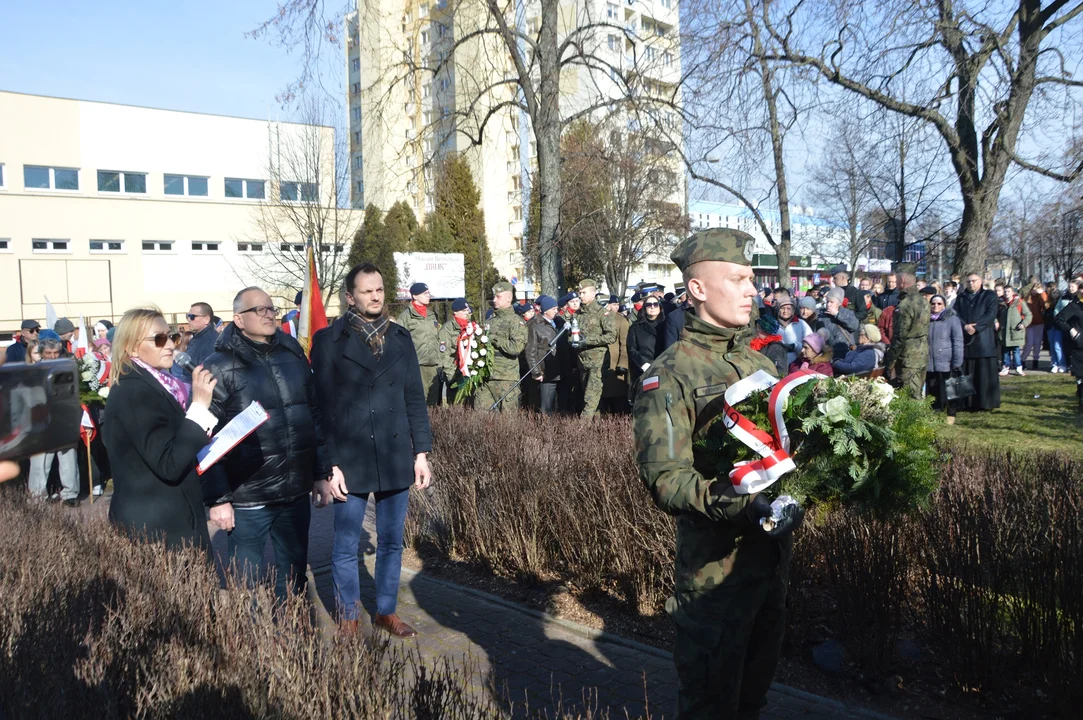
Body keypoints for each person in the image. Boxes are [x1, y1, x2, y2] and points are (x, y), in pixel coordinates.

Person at [633, 228, 804, 718]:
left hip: (768, 567)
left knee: (751, 702)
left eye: (753, 279)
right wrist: (743, 503)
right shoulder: (669, 373)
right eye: (739, 279)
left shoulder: (757, 363)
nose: (754, 290)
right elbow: (666, 477)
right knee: (711, 707)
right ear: (698, 289)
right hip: (714, 578)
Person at [310, 263, 433, 638]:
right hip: (350, 459)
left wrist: (421, 453)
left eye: (379, 289)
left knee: (392, 543)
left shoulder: (400, 337)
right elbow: (319, 408)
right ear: (350, 296)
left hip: (395, 455)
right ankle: (348, 617)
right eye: (367, 291)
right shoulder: (330, 342)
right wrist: (329, 464)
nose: (375, 296)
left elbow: (414, 397)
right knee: (346, 545)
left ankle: (385, 611)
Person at [202, 287, 329, 602]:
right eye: (259, 309)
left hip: (295, 491)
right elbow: (206, 436)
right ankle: (249, 647)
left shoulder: (293, 353)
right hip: (248, 496)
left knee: (293, 580)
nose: (269, 313)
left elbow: (312, 414)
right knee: (246, 583)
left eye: (271, 308)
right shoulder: (218, 364)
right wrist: (218, 498)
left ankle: (291, 644)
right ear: (238, 319)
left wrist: (320, 471)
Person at [102, 307, 219, 550]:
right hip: (158, 529)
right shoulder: (134, 391)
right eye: (158, 339)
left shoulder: (159, 383)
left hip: (172, 517)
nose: (170, 346)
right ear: (131, 347)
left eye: (172, 336)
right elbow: (169, 463)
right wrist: (198, 407)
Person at [25, 338, 80, 506]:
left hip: (64, 418)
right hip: (41, 419)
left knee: (68, 456)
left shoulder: (68, 367)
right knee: (40, 460)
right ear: (42, 353)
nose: (53, 356)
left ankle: (70, 494)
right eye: (48, 353)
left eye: (56, 352)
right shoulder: (33, 371)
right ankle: (37, 496)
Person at [476, 281, 529, 412]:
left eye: (498, 297)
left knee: (507, 423)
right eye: (494, 297)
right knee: (480, 419)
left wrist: (495, 339)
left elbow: (516, 348)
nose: (494, 300)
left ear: (509, 298)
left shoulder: (516, 322)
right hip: (486, 378)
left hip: (506, 378)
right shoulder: (489, 322)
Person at [953, 272, 1001, 411]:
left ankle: (985, 403)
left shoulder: (989, 296)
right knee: (967, 372)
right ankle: (966, 403)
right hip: (966, 340)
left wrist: (976, 327)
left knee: (984, 373)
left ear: (980, 281)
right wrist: (965, 326)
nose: (971, 284)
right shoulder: (961, 297)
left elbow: (991, 314)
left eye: (974, 281)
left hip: (984, 339)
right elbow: (956, 313)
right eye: (968, 281)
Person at [882, 264, 929, 398]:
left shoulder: (905, 305)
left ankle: (920, 420)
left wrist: (889, 362)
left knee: (911, 400)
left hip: (908, 359)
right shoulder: (923, 301)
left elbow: (899, 337)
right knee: (918, 393)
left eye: (896, 280)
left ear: (902, 280)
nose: (895, 284)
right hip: (922, 355)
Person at [574, 279, 617, 418]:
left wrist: (588, 340)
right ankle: (597, 433)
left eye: (584, 293)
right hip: (582, 361)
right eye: (580, 293)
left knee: (590, 398)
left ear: (593, 294)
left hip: (597, 363)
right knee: (594, 400)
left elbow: (611, 336)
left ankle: (580, 431)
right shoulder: (578, 315)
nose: (581, 296)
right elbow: (573, 335)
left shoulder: (602, 313)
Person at [396, 282, 443, 406]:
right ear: (415, 296)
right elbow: (399, 343)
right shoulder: (405, 317)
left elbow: (437, 338)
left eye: (428, 293)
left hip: (434, 364)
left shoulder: (432, 315)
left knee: (434, 403)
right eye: (425, 293)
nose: (428, 295)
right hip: (417, 365)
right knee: (418, 401)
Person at [926, 294, 964, 424]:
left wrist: (957, 361)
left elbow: (957, 341)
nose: (935, 306)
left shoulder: (952, 319)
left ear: (944, 305)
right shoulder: (927, 320)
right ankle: (935, 411)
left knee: (950, 388)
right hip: (930, 361)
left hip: (947, 360)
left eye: (939, 304)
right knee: (933, 388)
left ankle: (951, 413)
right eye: (933, 303)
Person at [525, 295, 561, 414]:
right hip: (545, 371)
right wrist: (536, 371)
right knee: (546, 407)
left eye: (557, 308)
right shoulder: (535, 325)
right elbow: (531, 350)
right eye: (553, 309)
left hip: (559, 369)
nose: (556, 311)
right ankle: (545, 429)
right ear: (545, 311)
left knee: (557, 405)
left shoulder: (559, 322)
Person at [627, 295, 665, 402]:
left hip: (663, 368)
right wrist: (644, 364)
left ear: (660, 307)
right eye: (649, 305)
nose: (652, 307)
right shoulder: (636, 327)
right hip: (643, 369)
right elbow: (631, 349)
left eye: (655, 304)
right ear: (644, 308)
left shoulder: (666, 325)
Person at [1054, 279, 1083, 413]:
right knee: (1081, 377)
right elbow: (1059, 319)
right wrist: (1071, 330)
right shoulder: (1074, 306)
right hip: (1079, 346)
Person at [601, 294, 631, 413]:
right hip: (598, 365)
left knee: (618, 401)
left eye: (617, 304)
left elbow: (625, 345)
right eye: (614, 304)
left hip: (614, 366)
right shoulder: (596, 319)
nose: (616, 307)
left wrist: (622, 364)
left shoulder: (620, 321)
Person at [437, 298, 471, 396]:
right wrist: (451, 376)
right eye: (464, 311)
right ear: (455, 312)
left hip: (469, 373)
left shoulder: (470, 327)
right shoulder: (447, 329)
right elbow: (444, 354)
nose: (467, 313)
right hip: (454, 373)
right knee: (456, 406)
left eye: (467, 310)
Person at [817, 288, 859, 359]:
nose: (828, 304)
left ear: (839, 303)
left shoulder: (848, 313)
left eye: (831, 302)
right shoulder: (821, 314)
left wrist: (837, 315)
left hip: (845, 350)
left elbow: (854, 326)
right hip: (827, 351)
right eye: (827, 302)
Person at [181, 302, 217, 382]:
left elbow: (205, 373)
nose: (189, 320)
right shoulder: (198, 338)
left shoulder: (210, 341)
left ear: (206, 319)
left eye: (192, 316)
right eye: (187, 316)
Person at [998, 286, 1031, 376]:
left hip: (1015, 332)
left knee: (1016, 351)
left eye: (1008, 291)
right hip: (1004, 332)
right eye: (1005, 291)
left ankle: (1018, 367)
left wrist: (1024, 323)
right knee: (1005, 351)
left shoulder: (1019, 302)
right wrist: (996, 322)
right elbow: (995, 315)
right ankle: (1005, 367)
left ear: (1013, 292)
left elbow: (1028, 314)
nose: (1006, 293)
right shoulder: (1000, 303)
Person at [775, 292, 812, 367]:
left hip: (797, 365)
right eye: (782, 308)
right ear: (778, 310)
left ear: (793, 311)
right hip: (776, 365)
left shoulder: (801, 324)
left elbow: (811, 344)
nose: (785, 311)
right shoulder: (772, 325)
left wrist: (796, 347)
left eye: (788, 308)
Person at [1051, 281, 1078, 374]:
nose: (1071, 288)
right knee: (1057, 346)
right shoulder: (1063, 298)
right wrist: (1059, 319)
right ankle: (1061, 364)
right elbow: (1056, 310)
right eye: (1069, 286)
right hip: (1061, 325)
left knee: (1072, 347)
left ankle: (1072, 364)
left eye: (1073, 286)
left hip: (1074, 326)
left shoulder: (1078, 299)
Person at [1021, 280, 1049, 371]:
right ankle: (1023, 360)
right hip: (1029, 324)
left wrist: (1042, 293)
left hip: (1039, 322)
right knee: (1029, 343)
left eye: (1036, 289)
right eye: (1033, 289)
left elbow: (1047, 305)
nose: (1034, 291)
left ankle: (1035, 361)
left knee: (1037, 343)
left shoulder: (1039, 297)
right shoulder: (1027, 298)